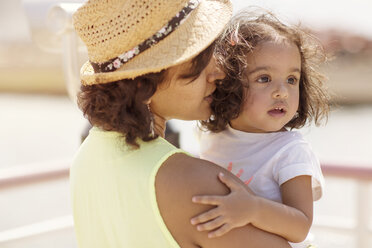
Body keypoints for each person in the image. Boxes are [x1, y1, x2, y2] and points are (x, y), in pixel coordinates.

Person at [70, 1, 292, 247]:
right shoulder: (197, 185)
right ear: (145, 85)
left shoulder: (85, 158)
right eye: (199, 60)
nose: (218, 72)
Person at [192, 10, 330, 248]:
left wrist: (253, 209)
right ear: (230, 84)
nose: (282, 92)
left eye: (291, 79)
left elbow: (301, 226)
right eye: (264, 79)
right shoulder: (213, 138)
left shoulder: (290, 150)